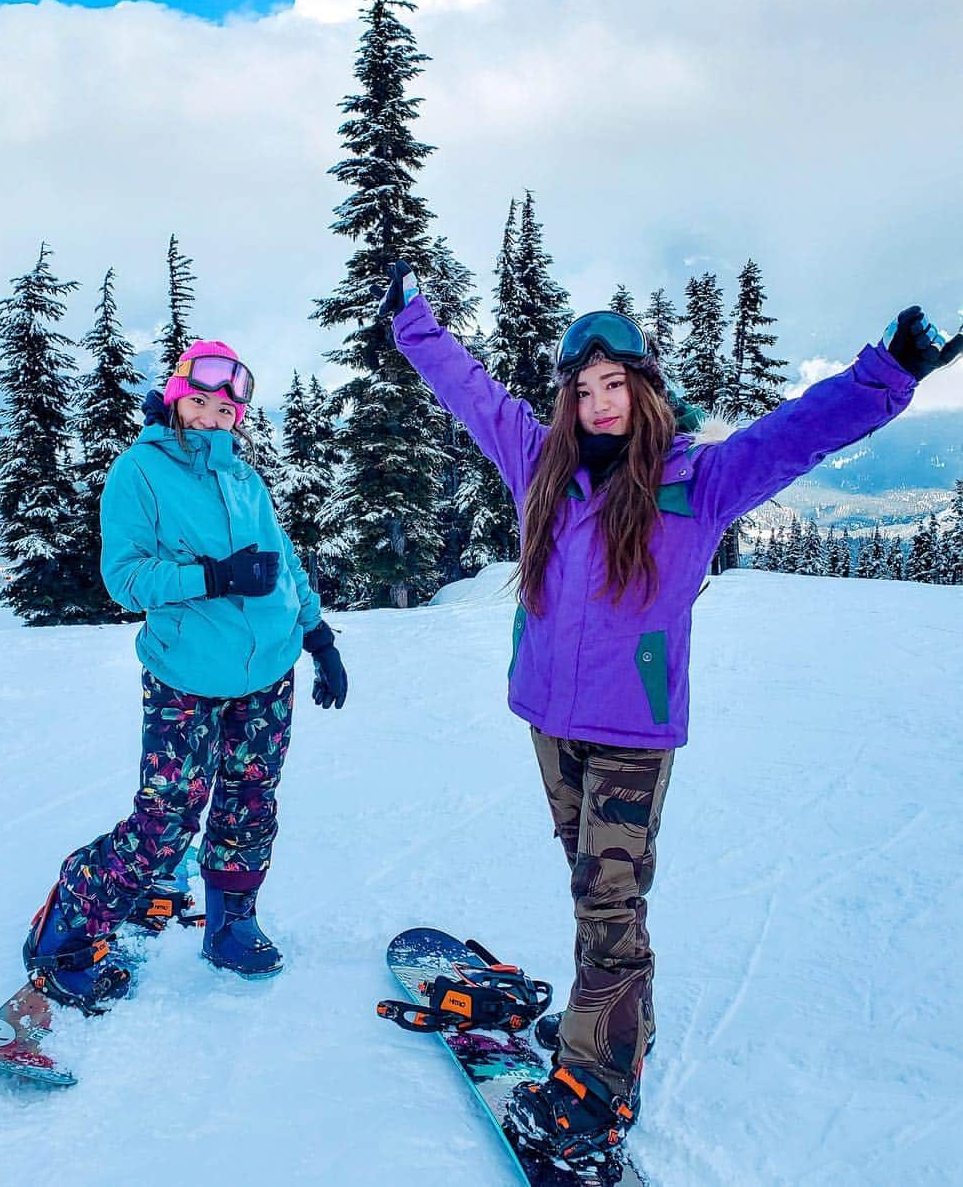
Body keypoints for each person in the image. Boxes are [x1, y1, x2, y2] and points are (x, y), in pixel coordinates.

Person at [378, 262, 960, 1166]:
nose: (599, 403)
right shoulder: (541, 463)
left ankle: (597, 1081)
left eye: (615, 384)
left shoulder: (700, 481)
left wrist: (889, 373)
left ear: (644, 389)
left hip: (632, 734)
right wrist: (413, 321)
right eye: (583, 390)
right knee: (590, 882)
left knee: (608, 899)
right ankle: (616, 1029)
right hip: (547, 716)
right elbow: (472, 393)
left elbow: (798, 435)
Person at [23, 340, 348, 1009]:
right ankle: (72, 919)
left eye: (225, 407)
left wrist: (317, 636)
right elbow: (124, 580)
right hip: (186, 679)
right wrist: (215, 578)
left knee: (251, 801)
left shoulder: (243, 478)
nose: (210, 415)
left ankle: (231, 924)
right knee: (167, 818)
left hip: (268, 674)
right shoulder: (139, 473)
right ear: (175, 397)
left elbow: (284, 562)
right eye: (198, 400)